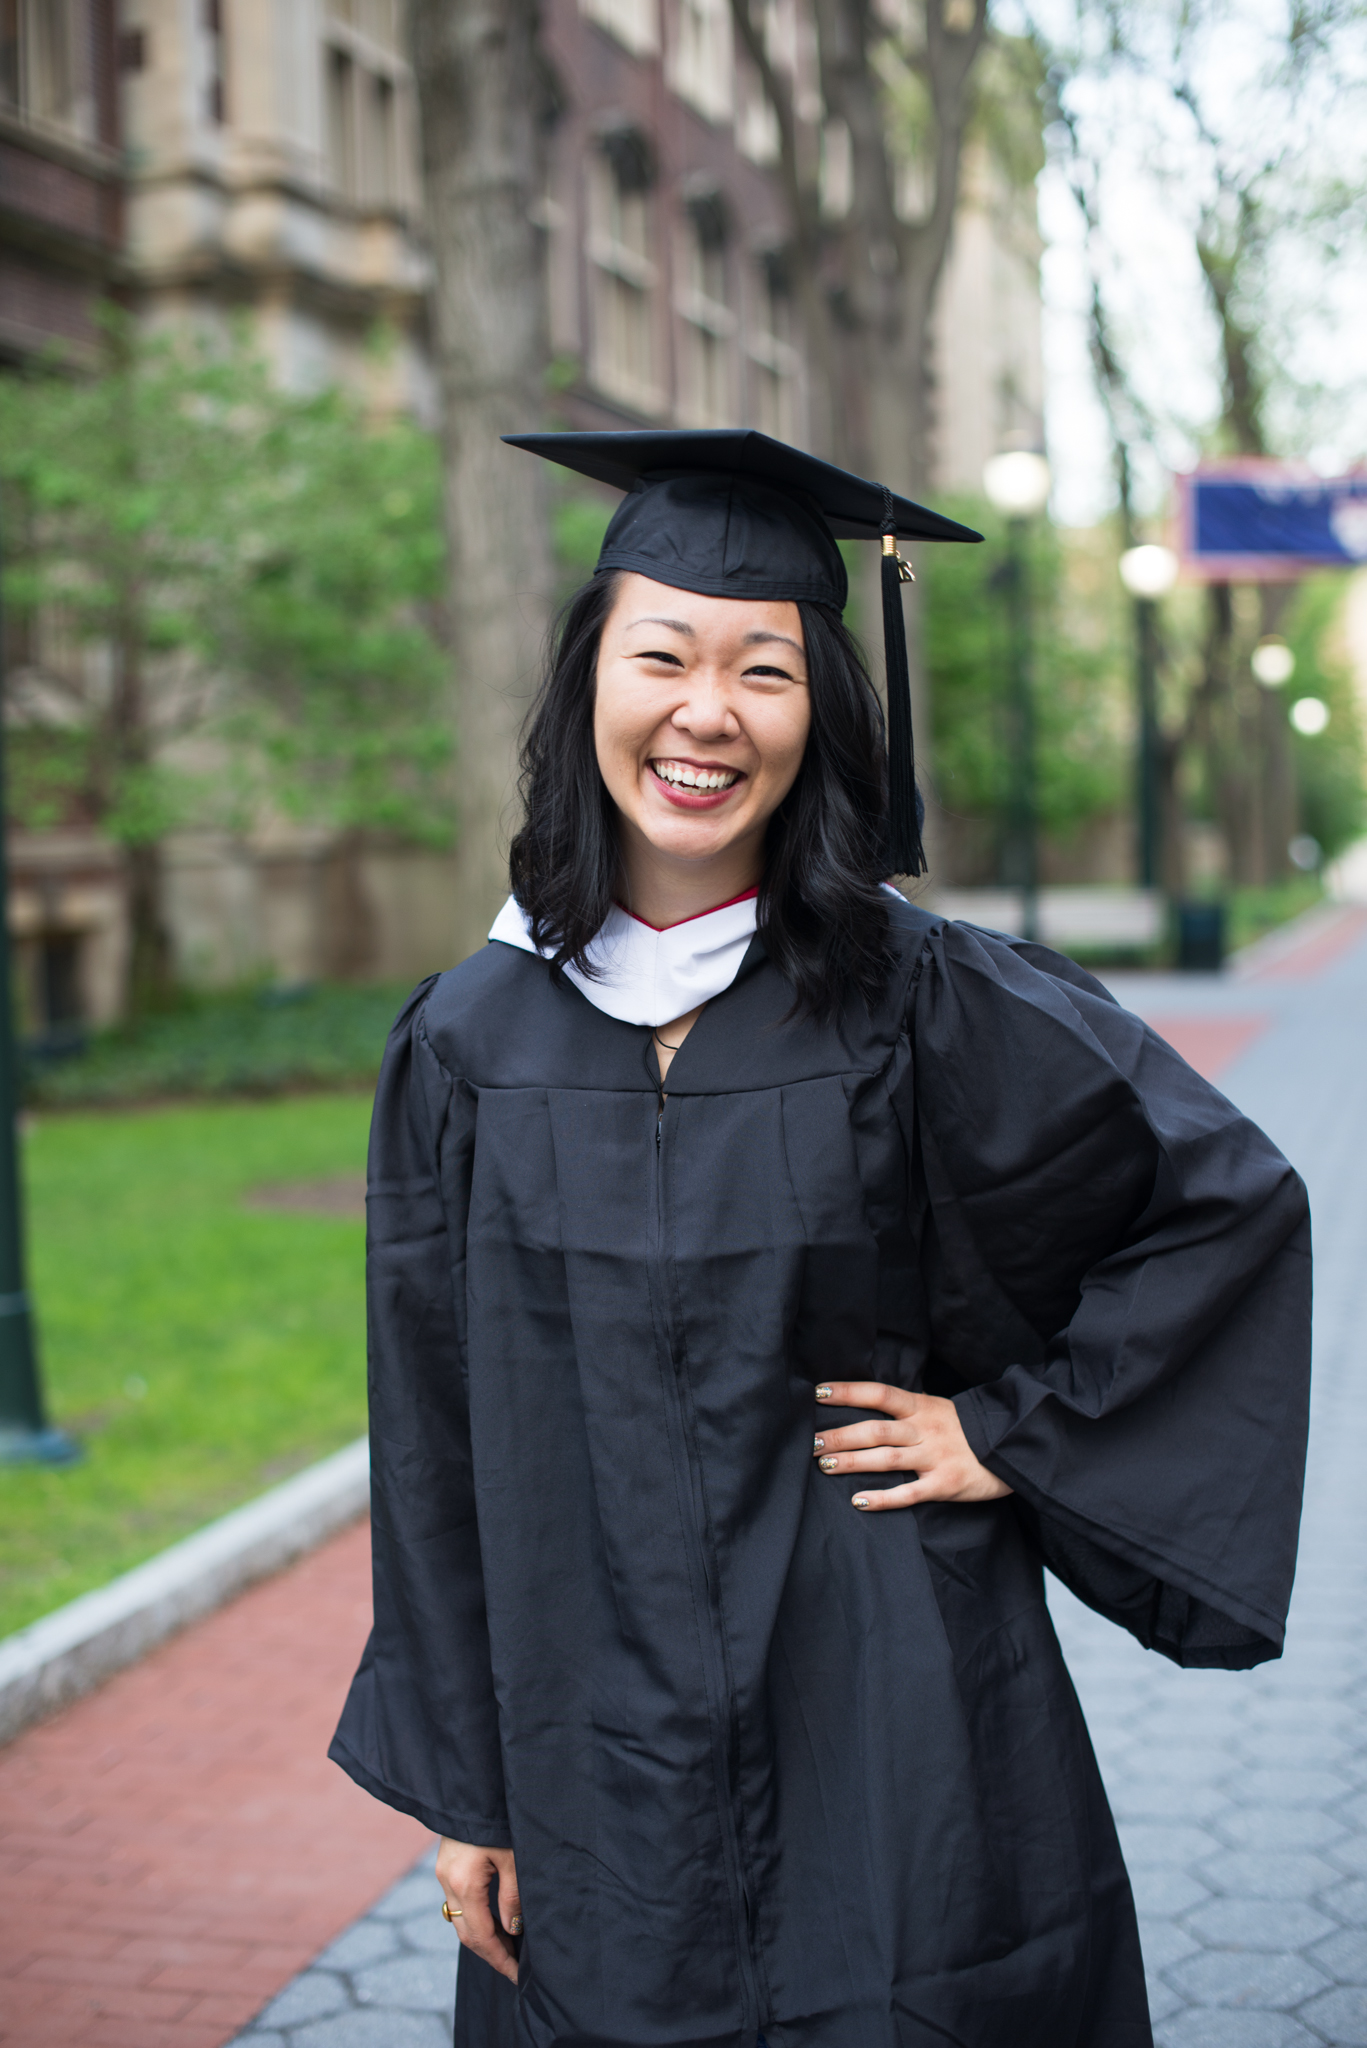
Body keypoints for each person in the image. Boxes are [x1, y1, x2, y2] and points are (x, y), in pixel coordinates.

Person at [330, 430, 1311, 2048]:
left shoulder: (923, 1000)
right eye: (663, 655)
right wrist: (462, 1790)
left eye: (763, 669)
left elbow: (1222, 1203)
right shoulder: (467, 1042)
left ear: (821, 715)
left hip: (898, 1717)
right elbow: (430, 1443)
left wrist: (1017, 1433)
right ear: (590, 682)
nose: (706, 710)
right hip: (589, 1754)